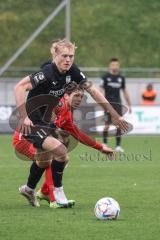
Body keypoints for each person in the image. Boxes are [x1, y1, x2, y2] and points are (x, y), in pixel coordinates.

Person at [14, 39, 128, 208]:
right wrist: (23, 116)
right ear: (55, 54)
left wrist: (115, 115)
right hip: (32, 120)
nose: (68, 60)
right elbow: (19, 87)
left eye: (71, 56)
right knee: (61, 151)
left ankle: (29, 189)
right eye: (64, 56)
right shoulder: (47, 73)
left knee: (44, 162)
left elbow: (93, 91)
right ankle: (58, 195)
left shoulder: (73, 72)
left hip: (45, 122)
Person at [14, 89, 115, 207]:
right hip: (24, 138)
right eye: (76, 95)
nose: (79, 99)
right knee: (54, 158)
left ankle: (34, 190)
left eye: (81, 97)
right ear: (66, 96)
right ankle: (54, 199)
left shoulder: (67, 115)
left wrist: (100, 147)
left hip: (37, 138)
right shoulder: (57, 104)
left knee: (58, 158)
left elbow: (78, 134)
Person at [101, 58, 131, 153]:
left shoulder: (121, 78)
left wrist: (129, 104)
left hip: (118, 104)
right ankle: (105, 144)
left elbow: (125, 91)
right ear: (110, 66)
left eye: (116, 65)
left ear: (118, 66)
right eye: (113, 65)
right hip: (108, 104)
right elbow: (101, 90)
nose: (115, 66)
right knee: (106, 125)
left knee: (119, 125)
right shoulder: (105, 78)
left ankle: (118, 146)